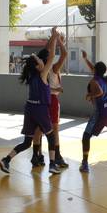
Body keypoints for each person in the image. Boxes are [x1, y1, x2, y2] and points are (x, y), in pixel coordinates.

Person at [0, 28, 63, 175]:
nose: (42, 61)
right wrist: (54, 38)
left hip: (29, 108)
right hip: (40, 109)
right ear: (39, 65)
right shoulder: (42, 74)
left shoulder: (32, 75)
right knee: (51, 137)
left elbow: (44, 54)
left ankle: (6, 160)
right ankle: (52, 164)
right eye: (40, 61)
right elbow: (51, 55)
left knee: (27, 141)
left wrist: (52, 38)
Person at [30, 32, 68, 168]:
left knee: (39, 128)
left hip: (39, 100)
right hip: (51, 99)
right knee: (55, 129)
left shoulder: (37, 70)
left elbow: (46, 51)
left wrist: (53, 37)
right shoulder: (52, 68)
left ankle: (37, 155)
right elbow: (64, 54)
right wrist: (59, 41)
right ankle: (56, 156)